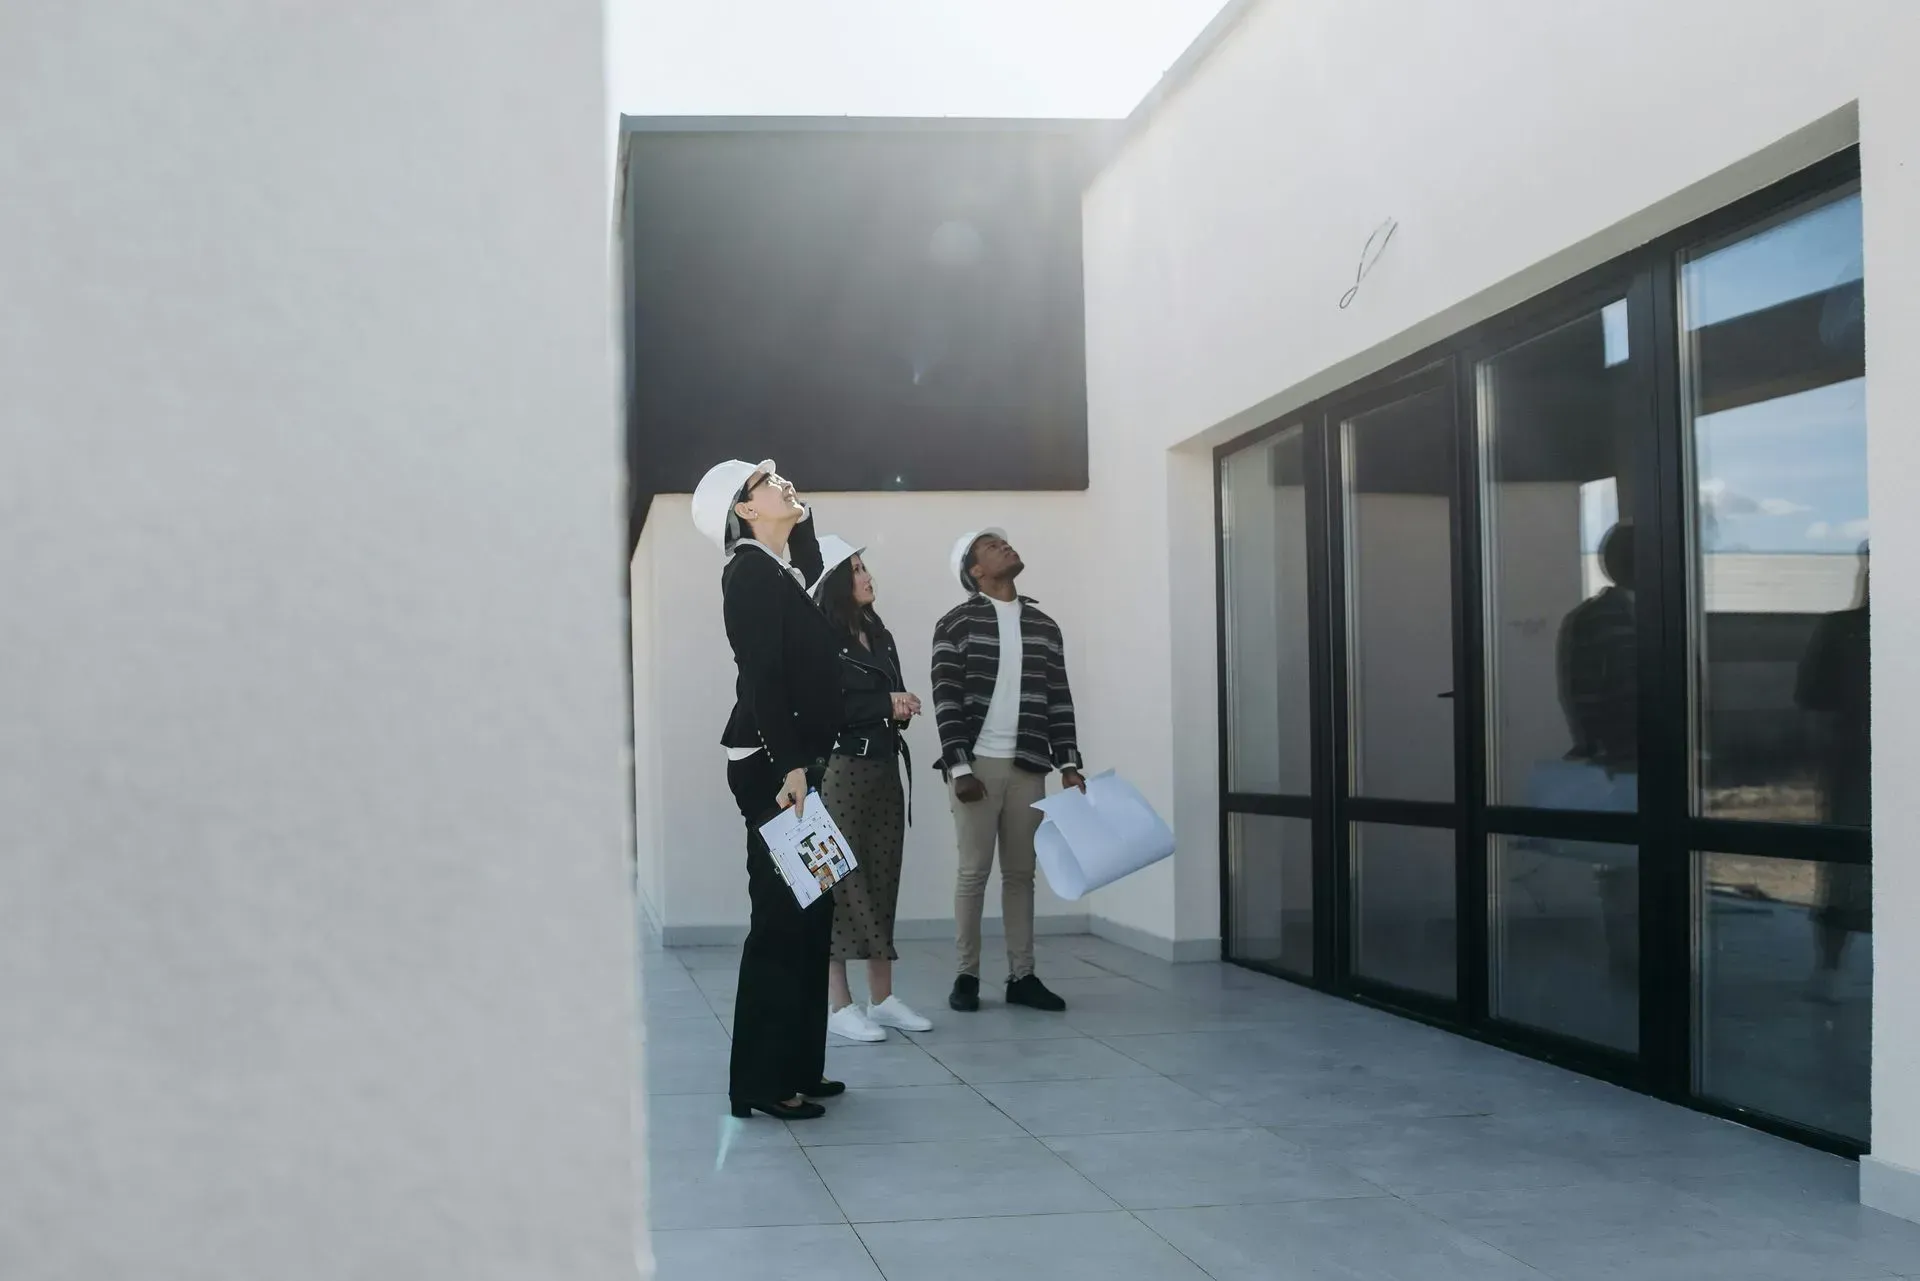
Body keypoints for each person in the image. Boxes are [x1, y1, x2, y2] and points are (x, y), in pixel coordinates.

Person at [690, 458, 843, 1121]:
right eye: (766, 481)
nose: (784, 482)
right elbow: (764, 677)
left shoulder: (778, 570)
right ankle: (760, 1081)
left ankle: (800, 1067)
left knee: (812, 914)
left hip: (794, 765)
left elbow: (804, 550)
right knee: (782, 924)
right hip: (775, 771)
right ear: (744, 510)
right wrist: (790, 766)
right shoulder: (748, 572)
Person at [932, 528, 1084, 1014]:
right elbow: (946, 699)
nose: (1006, 547)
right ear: (975, 571)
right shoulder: (955, 624)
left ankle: (1023, 976)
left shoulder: (1044, 625)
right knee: (973, 873)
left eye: (1005, 542)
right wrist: (959, 767)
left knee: (1021, 874)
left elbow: (1059, 698)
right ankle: (967, 976)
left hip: (1028, 766)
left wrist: (1069, 763)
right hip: (974, 765)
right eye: (992, 546)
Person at [809, 536, 935, 1042]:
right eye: (856, 569)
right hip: (839, 771)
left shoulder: (879, 634)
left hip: (883, 768)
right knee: (836, 883)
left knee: (883, 878)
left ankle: (881, 1000)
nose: (867, 576)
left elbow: (884, 696)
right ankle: (839, 1007)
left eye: (865, 567)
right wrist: (886, 703)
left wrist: (898, 706)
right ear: (839, 581)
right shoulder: (820, 637)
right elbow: (821, 707)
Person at [1552, 520, 1639, 982]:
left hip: (1663, 760)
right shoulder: (1591, 619)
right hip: (1623, 762)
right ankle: (1627, 961)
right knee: (1625, 867)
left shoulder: (1668, 611)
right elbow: (1580, 691)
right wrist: (1598, 749)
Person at [1796, 540, 1871, 1002]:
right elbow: (1811, 698)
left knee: (1844, 865)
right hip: (1853, 766)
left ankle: (1830, 967)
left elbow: (1811, 699)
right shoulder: (1841, 631)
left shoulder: (1841, 630)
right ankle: (1830, 966)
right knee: (1845, 864)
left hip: (1851, 764)